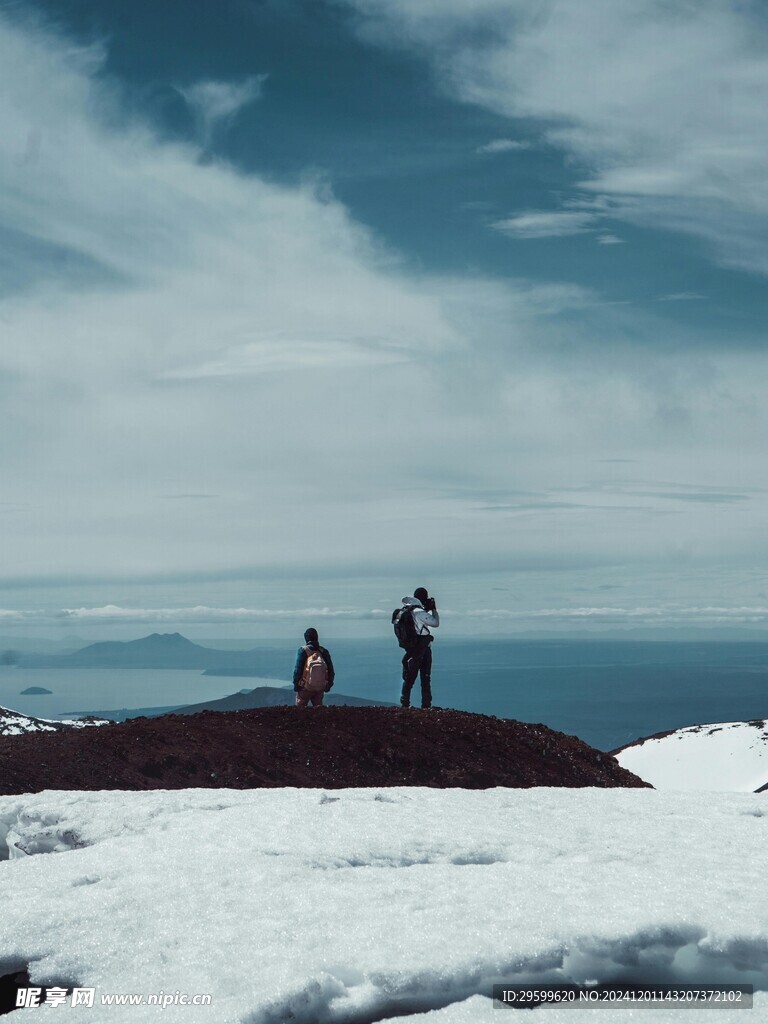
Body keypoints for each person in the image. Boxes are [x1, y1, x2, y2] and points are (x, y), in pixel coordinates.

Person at [399, 587, 439, 709]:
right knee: (425, 677)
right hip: (423, 648)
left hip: (411, 648)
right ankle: (426, 705)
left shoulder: (407, 611)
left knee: (410, 677)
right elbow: (435, 623)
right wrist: (433, 609)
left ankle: (405, 703)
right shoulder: (419, 612)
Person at [293, 627, 335, 708]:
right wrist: (328, 685)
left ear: (306, 638)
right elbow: (331, 670)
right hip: (320, 687)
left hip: (305, 687)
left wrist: (296, 685)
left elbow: (297, 670)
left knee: (299, 710)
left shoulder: (303, 650)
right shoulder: (323, 651)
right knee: (318, 709)